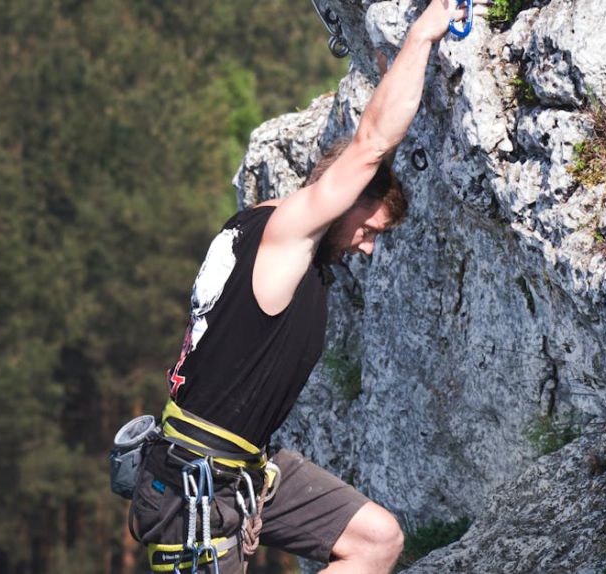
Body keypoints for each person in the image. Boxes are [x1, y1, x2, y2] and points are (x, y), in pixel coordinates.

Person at [131, 1, 488, 571]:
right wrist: (423, 33)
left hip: (243, 468)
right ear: (342, 200)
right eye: (369, 228)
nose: (369, 246)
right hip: (193, 488)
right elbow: (370, 142)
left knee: (377, 540)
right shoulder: (285, 237)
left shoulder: (267, 229)